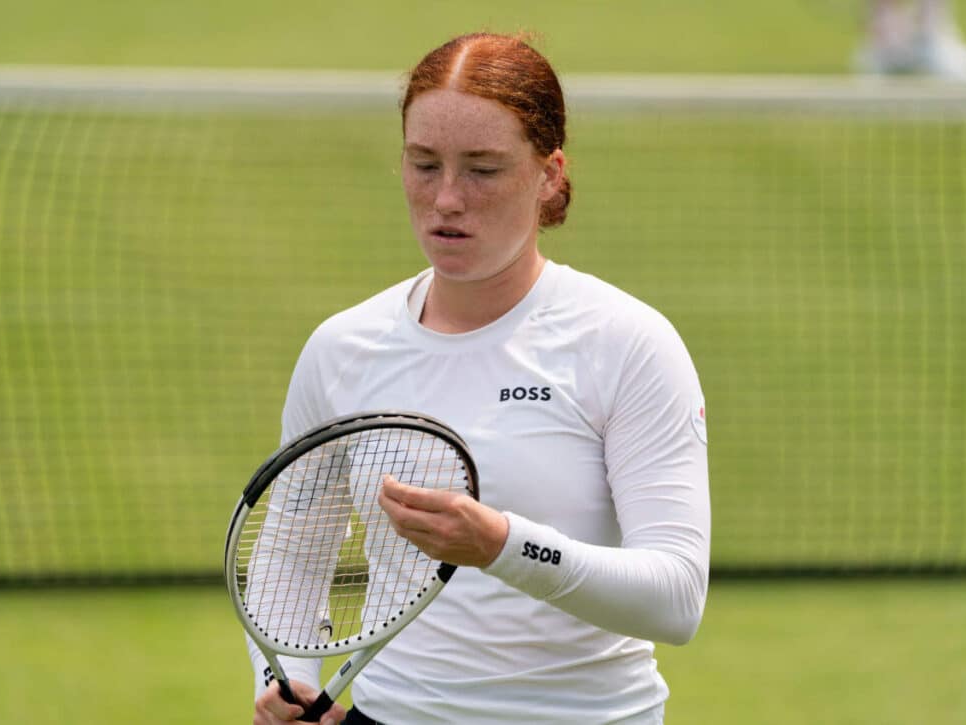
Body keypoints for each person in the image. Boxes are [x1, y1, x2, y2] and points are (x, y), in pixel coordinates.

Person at [249, 32, 711, 725]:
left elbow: (675, 599)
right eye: (424, 164)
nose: (446, 199)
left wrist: (499, 544)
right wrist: (286, 681)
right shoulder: (342, 349)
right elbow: (294, 544)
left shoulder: (627, 344)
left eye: (483, 169)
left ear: (549, 174)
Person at [853, 0, 966, 82]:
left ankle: (927, 35)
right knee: (887, 47)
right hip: (887, 46)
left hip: (929, 41)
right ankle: (887, 42)